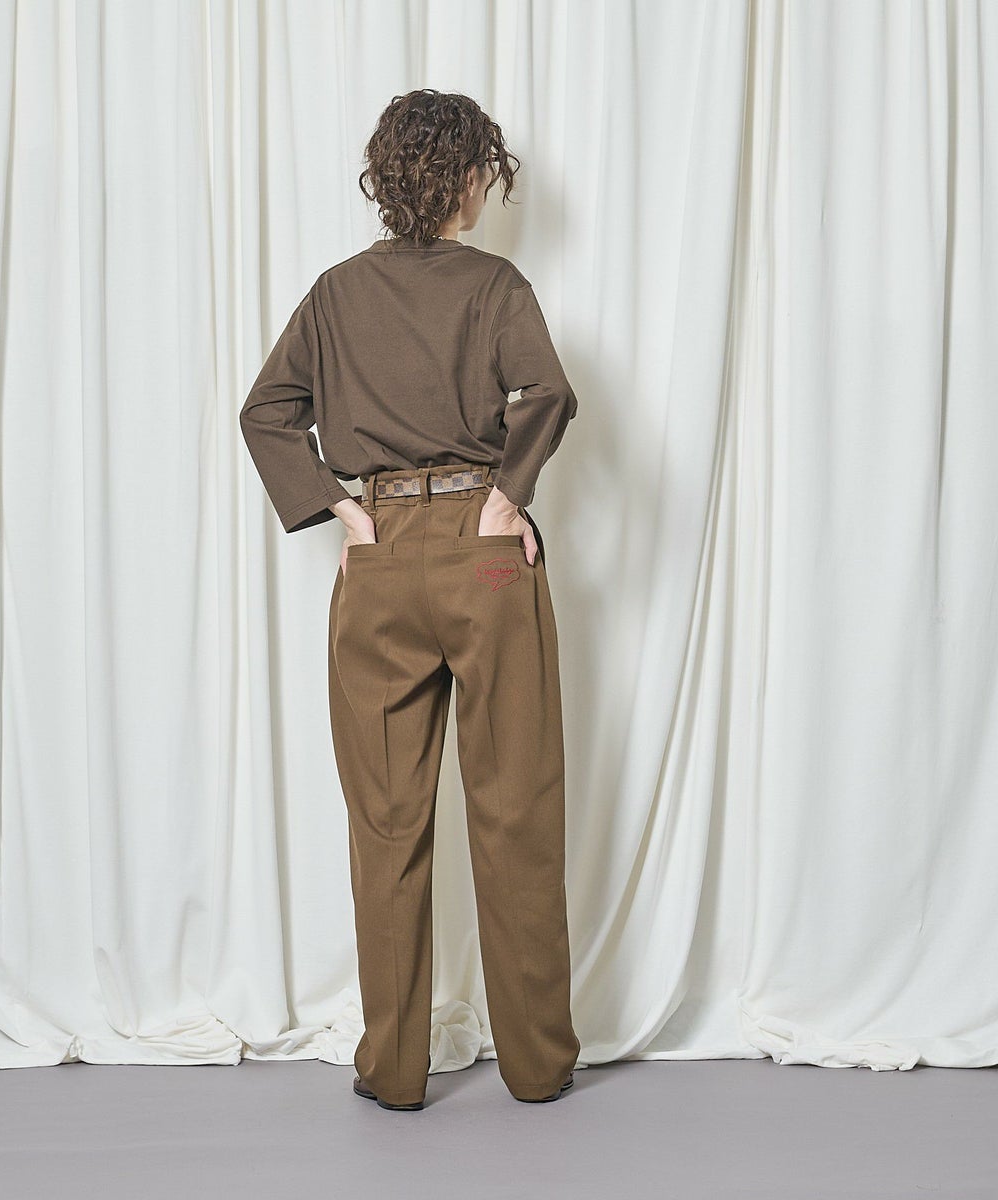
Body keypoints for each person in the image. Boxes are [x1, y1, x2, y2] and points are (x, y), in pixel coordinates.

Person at [239, 89, 581, 1110]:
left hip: (380, 556)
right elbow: (547, 392)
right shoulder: (495, 285)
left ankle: (392, 1071)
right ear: (467, 177)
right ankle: (537, 1065)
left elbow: (266, 413)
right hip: (483, 557)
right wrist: (505, 500)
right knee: (515, 809)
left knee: (386, 826)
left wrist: (346, 516)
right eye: (482, 173)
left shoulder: (336, 294)